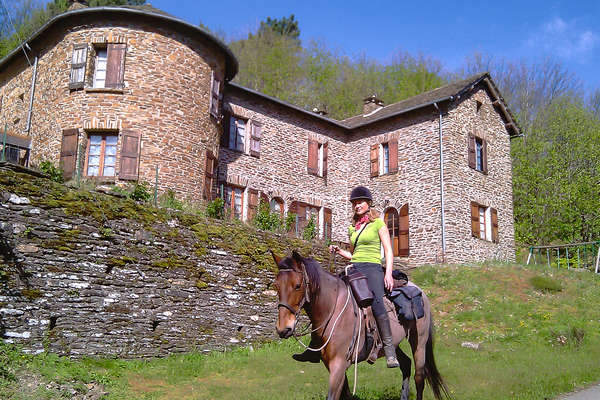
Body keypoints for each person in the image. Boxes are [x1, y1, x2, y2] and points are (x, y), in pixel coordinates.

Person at [293, 185, 400, 368]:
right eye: (354, 203)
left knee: (376, 302)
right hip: (354, 267)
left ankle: (389, 351)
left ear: (368, 203)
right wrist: (339, 250)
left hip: (373, 267)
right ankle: (314, 347)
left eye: (360, 202)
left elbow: (389, 251)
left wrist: (388, 273)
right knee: (329, 298)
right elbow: (354, 254)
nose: (357, 205)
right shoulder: (353, 228)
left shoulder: (378, 224)